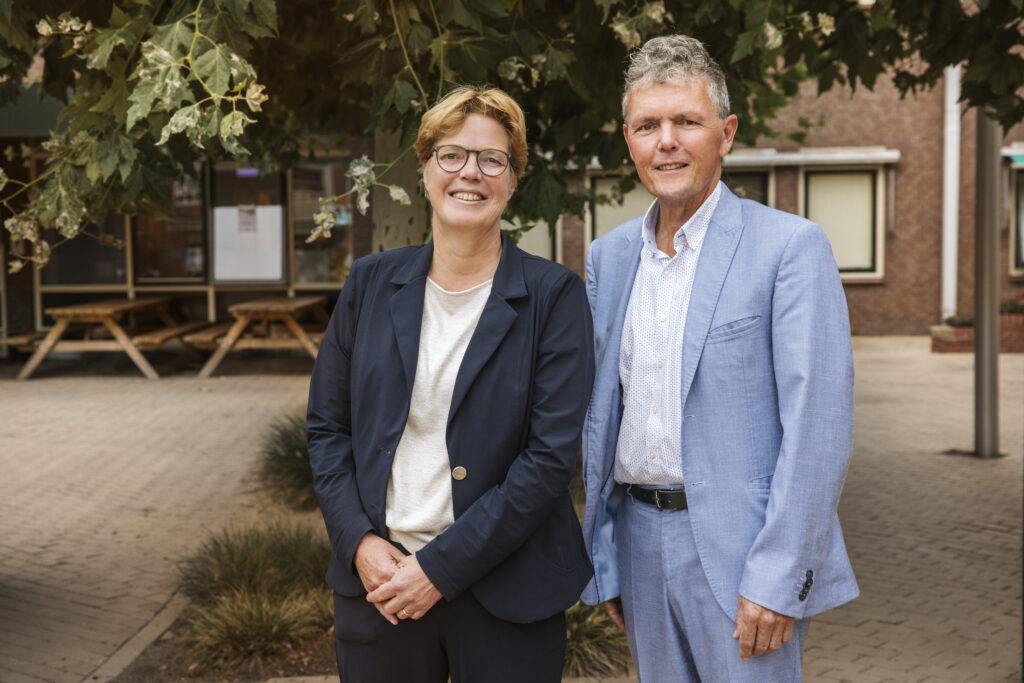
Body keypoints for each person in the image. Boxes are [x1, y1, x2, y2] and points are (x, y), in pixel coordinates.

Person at [581, 34, 858, 681]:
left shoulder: (789, 248)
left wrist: (779, 575)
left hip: (744, 554)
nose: (666, 141)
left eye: (687, 121)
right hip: (638, 545)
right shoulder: (609, 257)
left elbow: (818, 426)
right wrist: (607, 554)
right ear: (628, 139)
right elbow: (603, 417)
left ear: (726, 134)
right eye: (648, 125)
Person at [306, 85, 594, 683]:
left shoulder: (554, 296)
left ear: (513, 181)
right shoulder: (369, 283)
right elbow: (328, 428)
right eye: (452, 155)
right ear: (425, 170)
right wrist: (357, 540)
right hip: (379, 583)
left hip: (506, 591)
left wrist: (440, 567)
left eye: (493, 159)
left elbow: (547, 460)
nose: (472, 173)